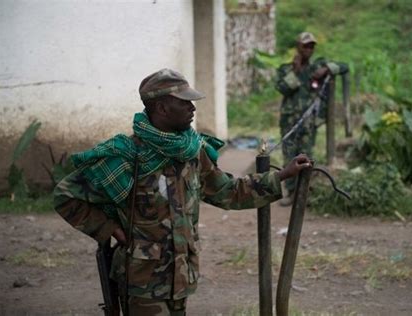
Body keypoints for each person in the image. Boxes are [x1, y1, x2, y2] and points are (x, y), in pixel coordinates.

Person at [53, 68, 312, 315]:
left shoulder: (192, 151)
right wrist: (108, 229)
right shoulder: (126, 155)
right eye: (184, 103)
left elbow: (228, 191)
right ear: (162, 107)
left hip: (181, 276)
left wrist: (280, 176)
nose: (192, 108)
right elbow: (66, 196)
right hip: (142, 281)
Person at [275, 32, 342, 206]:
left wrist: (326, 70)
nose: (309, 49)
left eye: (312, 46)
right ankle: (290, 193)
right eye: (306, 46)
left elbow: (343, 67)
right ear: (298, 47)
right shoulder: (285, 69)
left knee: (306, 157)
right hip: (289, 122)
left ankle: (304, 193)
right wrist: (296, 72)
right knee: (289, 156)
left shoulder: (317, 67)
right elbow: (283, 88)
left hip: (308, 122)